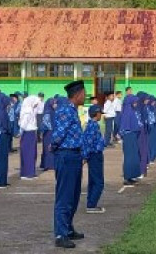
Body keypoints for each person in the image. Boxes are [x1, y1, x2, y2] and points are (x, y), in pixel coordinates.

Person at [52, 80, 85, 249]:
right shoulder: (66, 110)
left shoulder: (72, 110)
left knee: (73, 196)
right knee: (64, 197)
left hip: (74, 156)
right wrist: (55, 148)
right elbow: (58, 135)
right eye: (84, 93)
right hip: (66, 156)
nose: (85, 96)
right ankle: (60, 234)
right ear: (77, 94)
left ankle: (68, 228)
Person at [82, 104, 106, 214]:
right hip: (94, 155)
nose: (101, 115)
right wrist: (85, 156)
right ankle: (92, 204)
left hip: (95, 155)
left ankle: (90, 203)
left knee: (93, 180)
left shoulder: (92, 125)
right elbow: (88, 142)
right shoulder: (92, 126)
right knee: (98, 182)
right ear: (96, 114)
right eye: (100, 113)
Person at [120, 94, 141, 186]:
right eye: (135, 102)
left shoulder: (132, 111)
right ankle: (127, 177)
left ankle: (132, 175)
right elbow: (125, 127)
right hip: (129, 136)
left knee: (134, 156)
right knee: (129, 157)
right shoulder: (127, 112)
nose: (136, 104)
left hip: (133, 135)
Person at [18, 95, 39, 180]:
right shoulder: (28, 111)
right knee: (28, 154)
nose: (36, 105)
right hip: (28, 133)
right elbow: (23, 124)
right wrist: (20, 133)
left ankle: (29, 172)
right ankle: (27, 173)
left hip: (30, 133)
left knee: (31, 153)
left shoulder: (30, 110)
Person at [40, 97, 58, 171]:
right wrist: (42, 132)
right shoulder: (48, 112)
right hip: (48, 133)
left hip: (52, 132)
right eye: (54, 103)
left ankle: (50, 164)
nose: (55, 105)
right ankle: (48, 164)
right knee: (48, 148)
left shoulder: (53, 111)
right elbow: (45, 123)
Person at [136, 92, 149, 179]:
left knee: (142, 151)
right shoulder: (142, 108)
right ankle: (141, 171)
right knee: (141, 151)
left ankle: (142, 170)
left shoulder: (139, 107)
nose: (147, 101)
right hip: (140, 132)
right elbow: (145, 120)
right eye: (146, 99)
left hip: (140, 132)